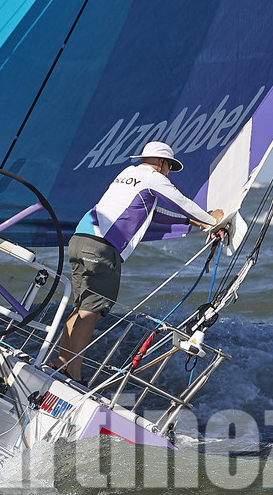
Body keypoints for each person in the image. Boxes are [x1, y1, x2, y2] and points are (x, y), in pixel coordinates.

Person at [52, 142, 226, 382]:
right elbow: (180, 202)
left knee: (81, 308)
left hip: (80, 239)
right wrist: (212, 219)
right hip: (102, 246)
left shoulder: (127, 173)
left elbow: (156, 215)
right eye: (168, 168)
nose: (167, 173)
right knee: (91, 311)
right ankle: (73, 374)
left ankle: (62, 365)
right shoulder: (152, 176)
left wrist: (195, 224)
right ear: (162, 163)